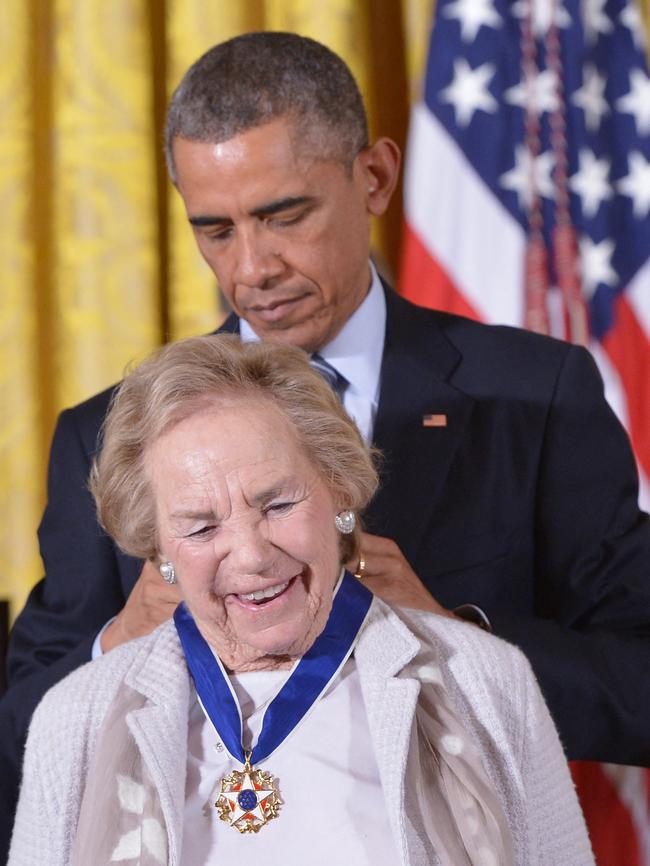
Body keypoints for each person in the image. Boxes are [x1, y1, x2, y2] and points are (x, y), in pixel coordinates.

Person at [2, 29, 650, 854]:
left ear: (373, 176)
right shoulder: (109, 435)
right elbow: (23, 731)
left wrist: (457, 632)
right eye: (216, 230)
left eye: (284, 214)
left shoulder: (533, 395)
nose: (252, 268)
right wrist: (119, 641)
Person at [8, 334, 595, 866]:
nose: (251, 556)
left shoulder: (485, 681)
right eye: (201, 527)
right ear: (156, 548)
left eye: (278, 505)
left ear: (339, 488)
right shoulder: (75, 717)